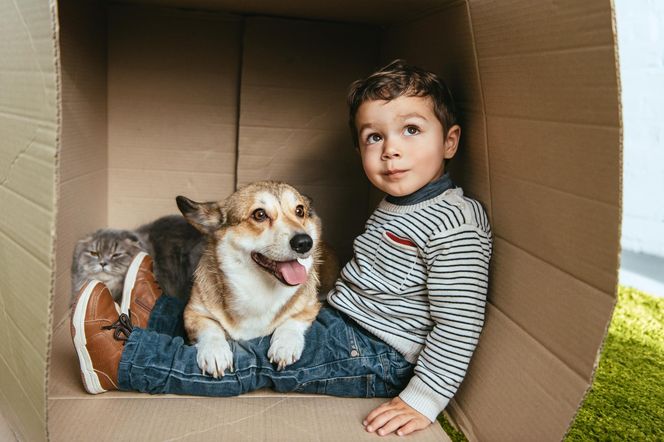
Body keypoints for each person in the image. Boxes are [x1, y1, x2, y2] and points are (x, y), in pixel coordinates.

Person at [70, 60, 492, 437]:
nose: (391, 150)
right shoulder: (400, 203)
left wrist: (424, 398)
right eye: (373, 137)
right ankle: (155, 311)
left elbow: (460, 324)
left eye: (411, 130)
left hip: (379, 356)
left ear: (450, 142)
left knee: (253, 361)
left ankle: (127, 363)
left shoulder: (456, 223)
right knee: (251, 327)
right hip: (342, 322)